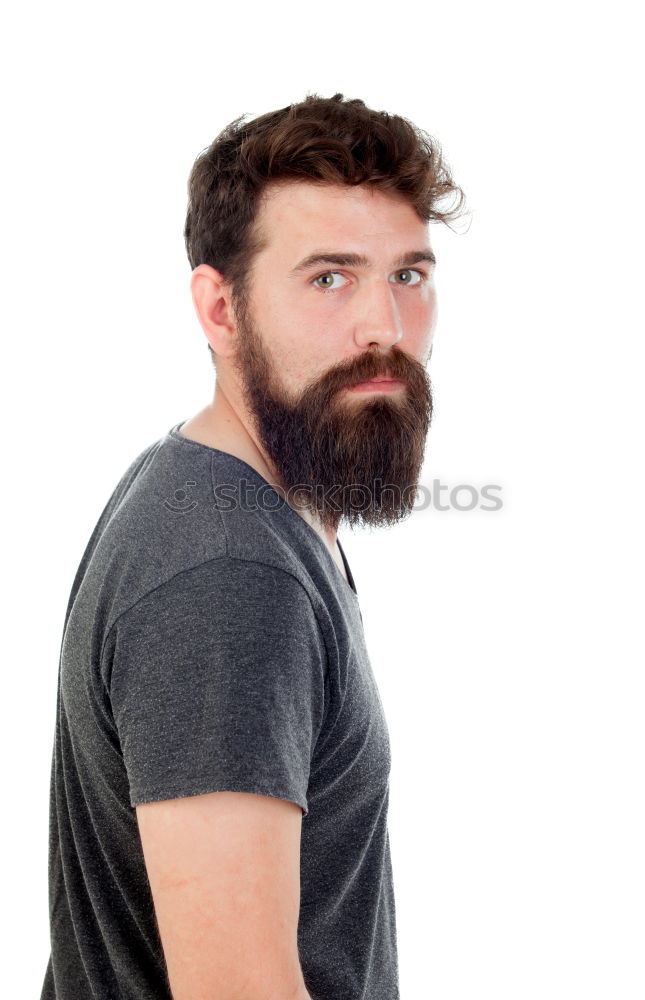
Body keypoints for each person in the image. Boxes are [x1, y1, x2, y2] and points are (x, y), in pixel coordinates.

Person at [40, 92, 464, 1000]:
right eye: (329, 278)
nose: (383, 329)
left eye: (408, 276)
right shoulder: (229, 577)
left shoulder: (239, 495)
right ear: (220, 309)